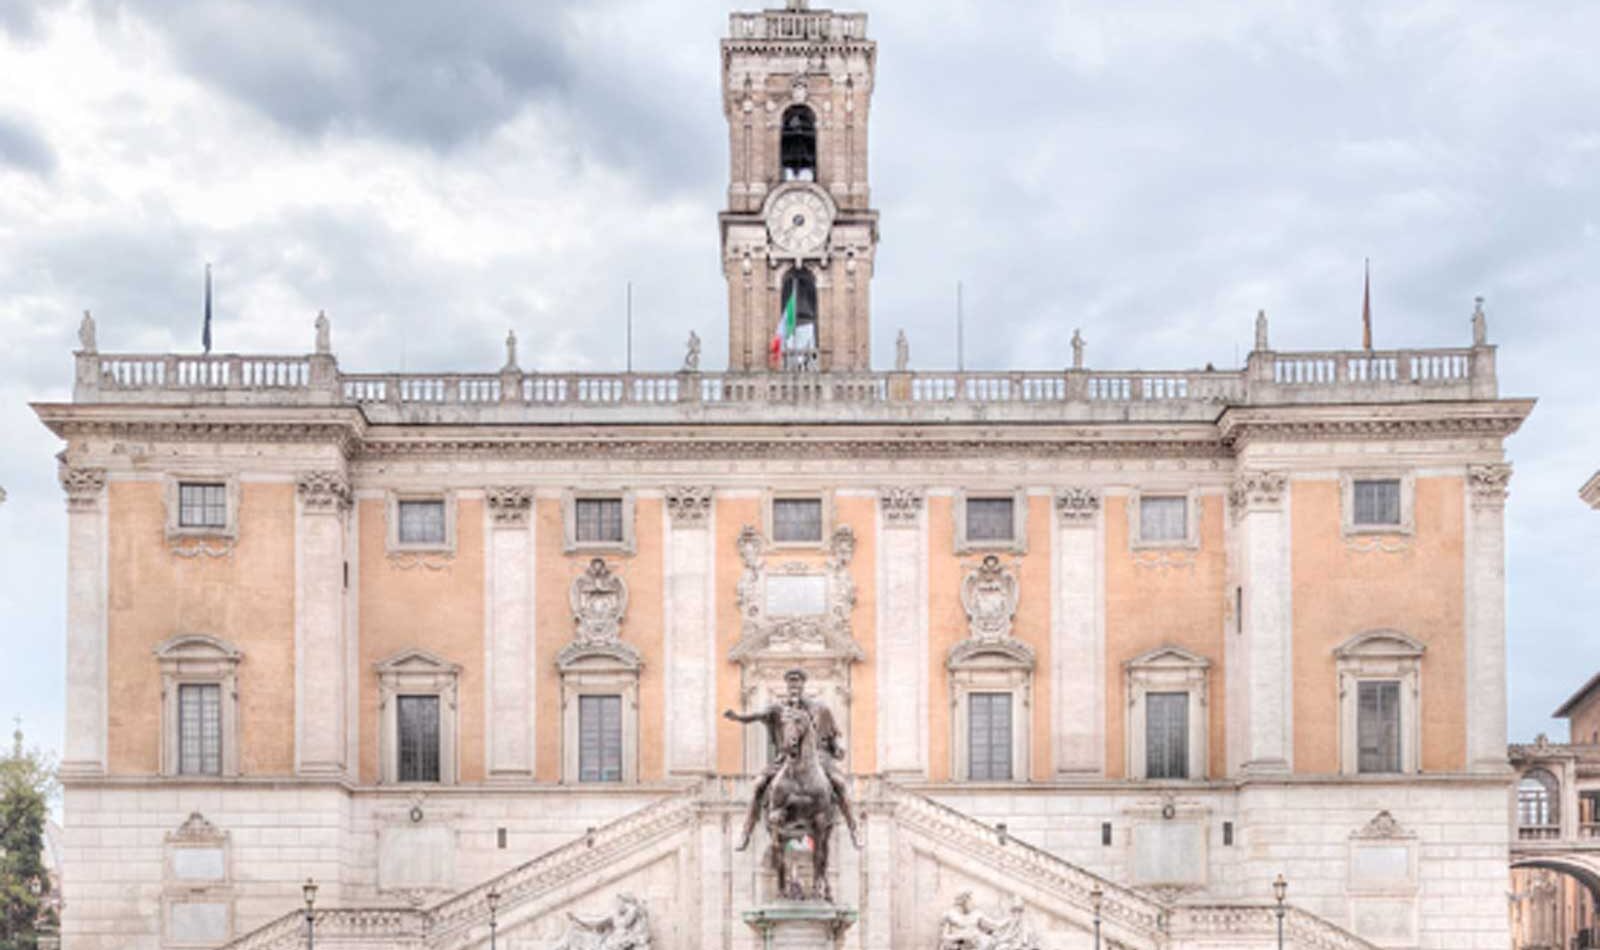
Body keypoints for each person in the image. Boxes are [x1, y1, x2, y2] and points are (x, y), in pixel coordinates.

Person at [723, 668, 861, 850]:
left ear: (803, 684)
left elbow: (831, 735)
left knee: (840, 784)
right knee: (758, 785)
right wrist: (738, 717)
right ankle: (746, 832)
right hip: (786, 758)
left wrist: (836, 748)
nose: (793, 685)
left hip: (818, 758)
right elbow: (756, 716)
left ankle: (854, 830)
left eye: (797, 681)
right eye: (790, 682)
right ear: (787, 685)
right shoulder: (778, 709)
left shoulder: (821, 709)